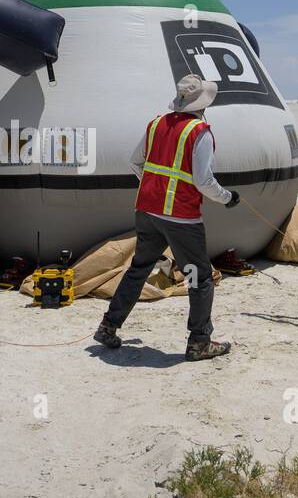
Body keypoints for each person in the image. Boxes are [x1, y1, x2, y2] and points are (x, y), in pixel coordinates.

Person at [92, 74, 238, 361]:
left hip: (147, 211)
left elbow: (136, 162)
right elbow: (203, 180)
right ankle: (199, 342)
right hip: (181, 218)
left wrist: (153, 188)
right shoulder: (200, 132)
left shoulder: (157, 123)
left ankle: (109, 325)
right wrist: (227, 197)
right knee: (199, 277)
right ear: (204, 103)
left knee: (139, 268)